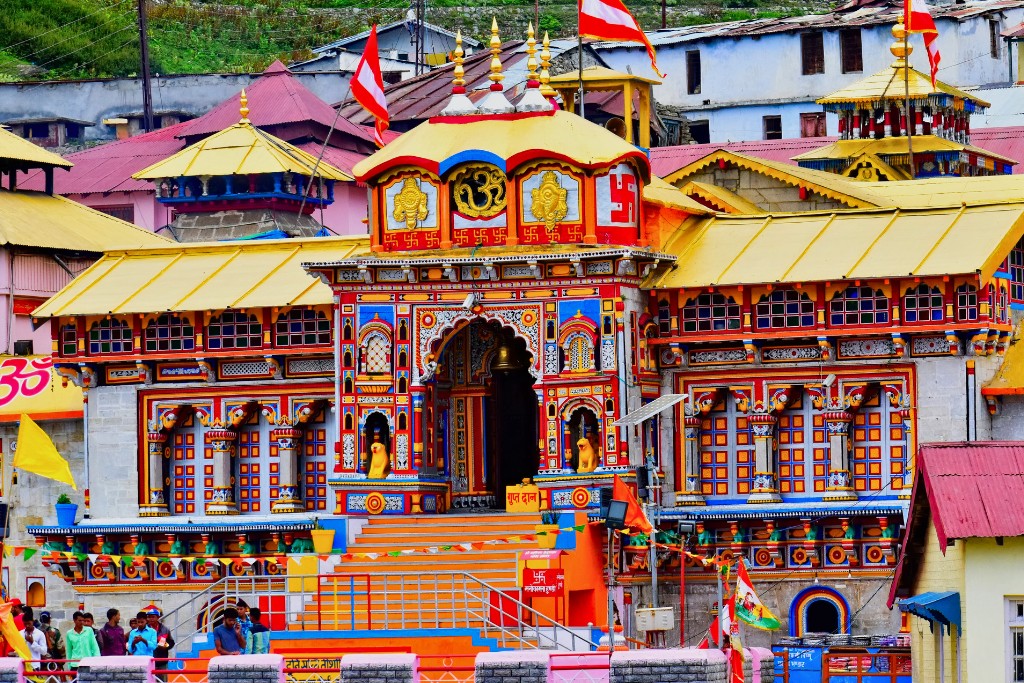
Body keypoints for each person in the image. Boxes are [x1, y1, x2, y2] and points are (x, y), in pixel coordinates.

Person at [147, 609, 175, 680]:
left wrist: (165, 646)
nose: (151, 619)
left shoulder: (165, 629)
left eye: (153, 617)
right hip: (148, 660)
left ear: (158, 617)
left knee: (162, 681)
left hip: (162, 661)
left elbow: (171, 642)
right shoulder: (145, 629)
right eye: (149, 617)